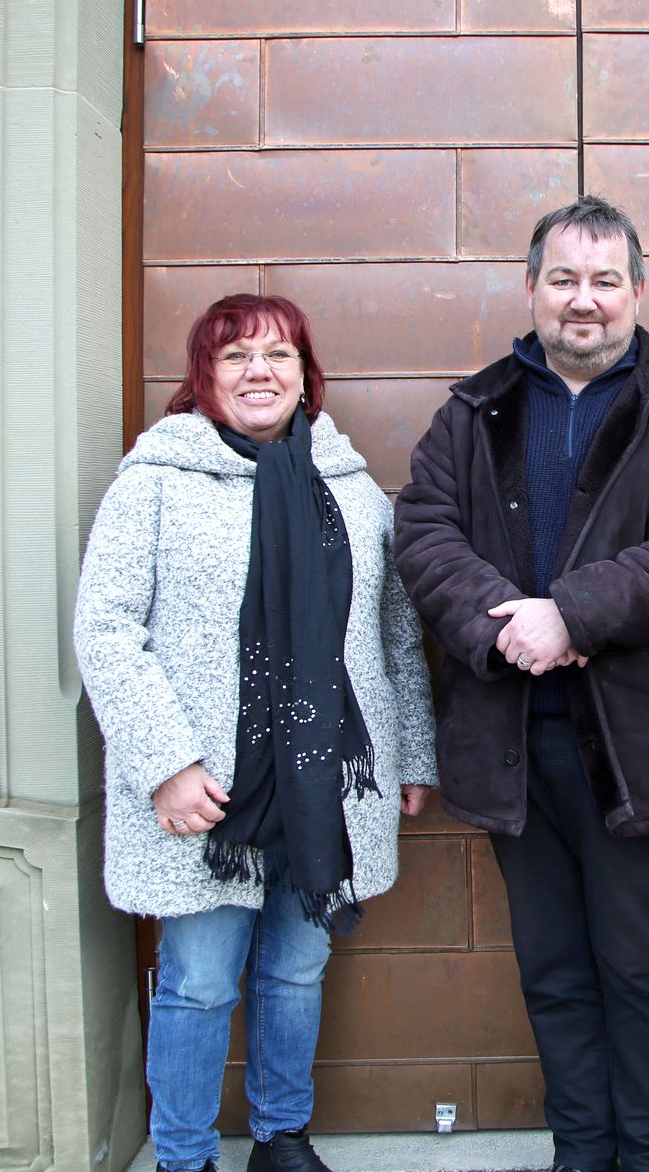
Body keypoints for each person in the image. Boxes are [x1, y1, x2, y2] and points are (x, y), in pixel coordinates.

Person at [393, 196, 649, 1172]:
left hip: (627, 749)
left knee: (637, 968)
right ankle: (581, 1153)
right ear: (530, 288)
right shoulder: (472, 409)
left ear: (636, 290)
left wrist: (574, 613)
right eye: (563, 279)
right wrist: (508, 625)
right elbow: (423, 533)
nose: (581, 301)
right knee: (552, 970)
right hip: (511, 746)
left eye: (602, 281)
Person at [75, 294, 437, 1172]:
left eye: (279, 354)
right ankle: (186, 1155)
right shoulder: (155, 481)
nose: (260, 372)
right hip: (207, 795)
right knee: (198, 983)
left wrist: (415, 749)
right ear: (204, 377)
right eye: (236, 357)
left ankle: (282, 1137)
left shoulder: (351, 488)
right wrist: (165, 763)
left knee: (295, 972)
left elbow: (396, 629)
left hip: (326, 786)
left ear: (307, 375)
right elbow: (106, 627)